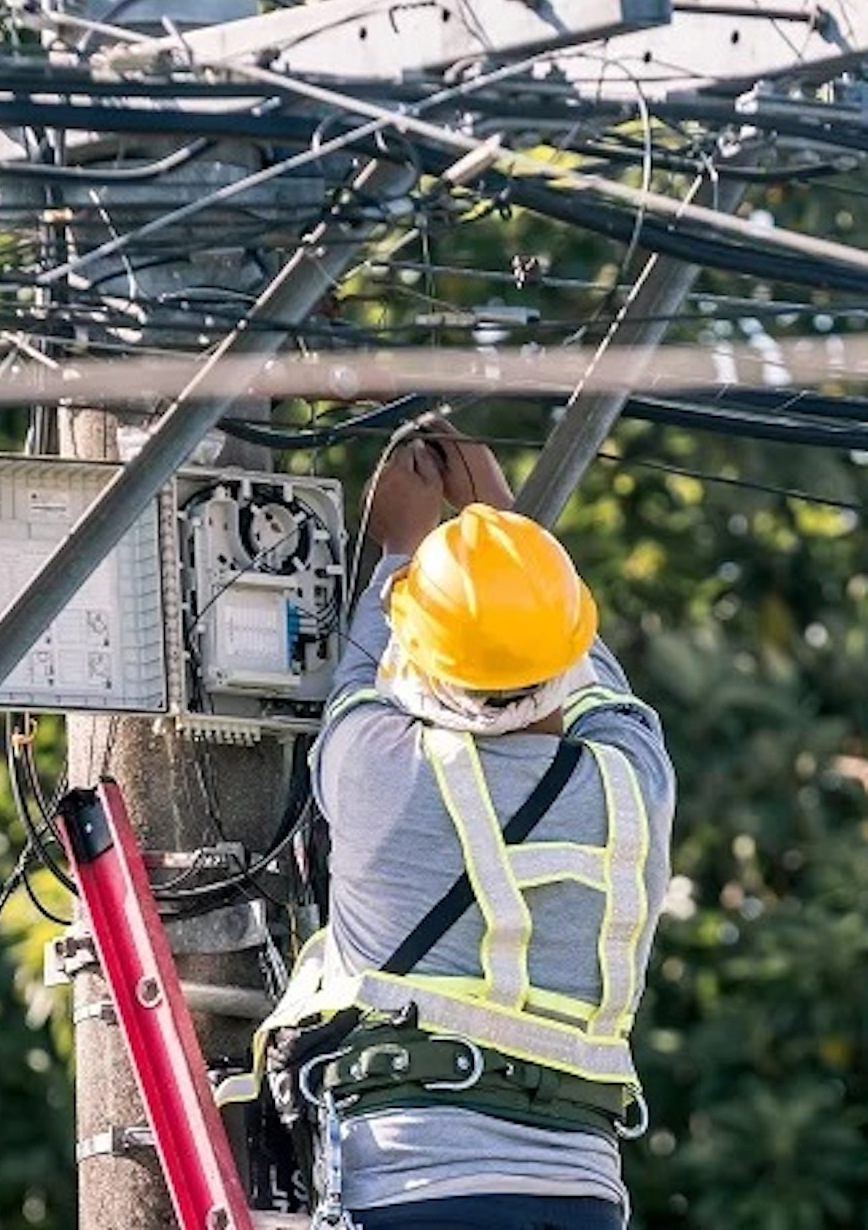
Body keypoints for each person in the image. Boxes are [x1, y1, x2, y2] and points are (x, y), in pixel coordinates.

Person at [265, 423, 675, 1230]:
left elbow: (362, 677)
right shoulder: (636, 781)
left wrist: (401, 548)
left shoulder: (381, 771)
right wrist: (508, 534)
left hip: (415, 1191)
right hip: (583, 1200)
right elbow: (587, 669)